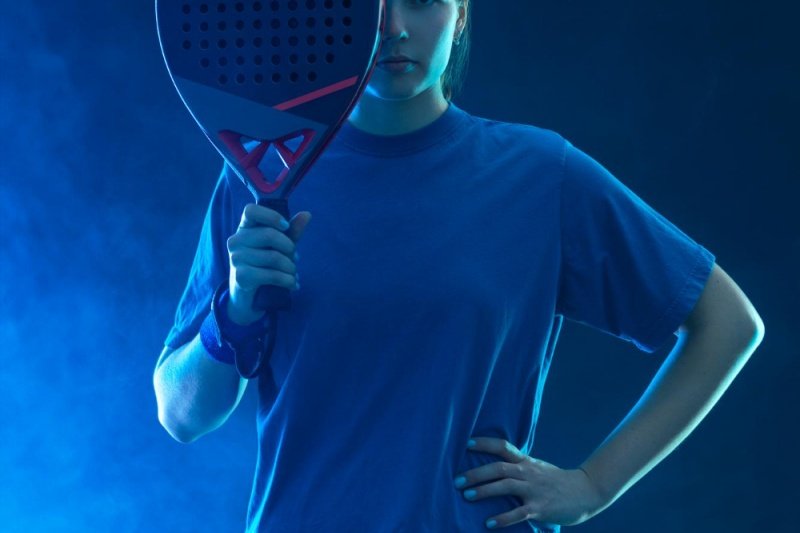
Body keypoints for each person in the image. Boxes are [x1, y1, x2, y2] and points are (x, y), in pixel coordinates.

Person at [153, 1, 765, 531]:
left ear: (461, 11)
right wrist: (234, 310)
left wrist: (592, 487)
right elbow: (181, 416)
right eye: (369, 5)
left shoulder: (539, 175)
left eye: (422, 1)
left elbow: (729, 323)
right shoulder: (261, 178)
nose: (392, 27)